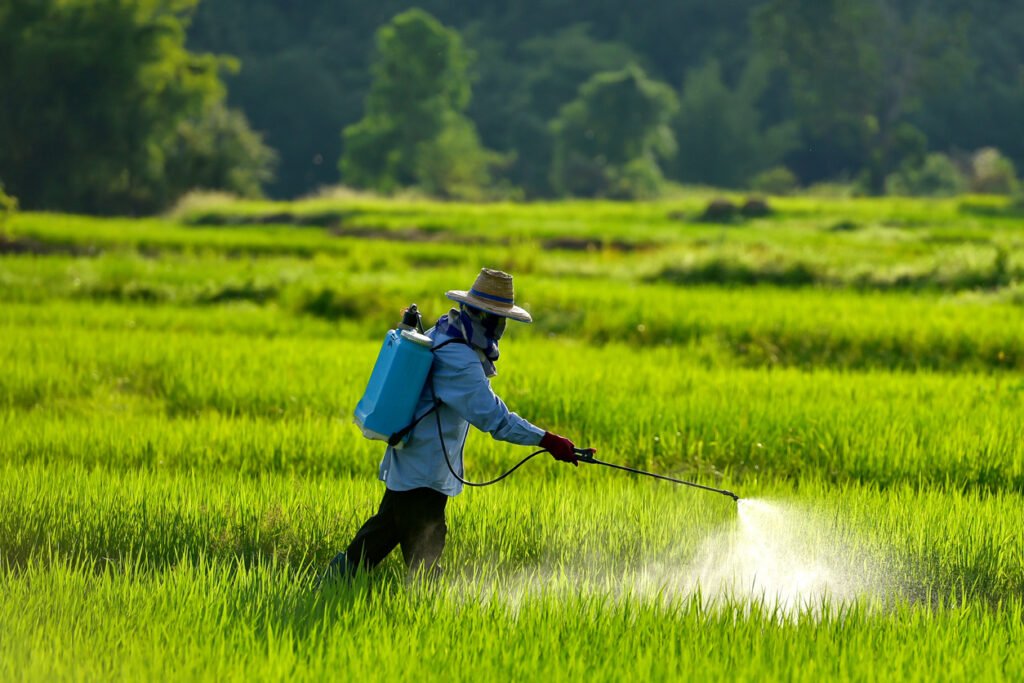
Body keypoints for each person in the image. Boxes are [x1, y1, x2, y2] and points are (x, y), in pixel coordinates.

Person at [322, 268, 579, 583]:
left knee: (382, 533)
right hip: (425, 471)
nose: (501, 328)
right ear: (486, 318)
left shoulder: (444, 330)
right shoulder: (459, 357)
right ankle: (427, 609)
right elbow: (495, 419)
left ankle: (327, 585)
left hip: (410, 460)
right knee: (425, 558)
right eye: (499, 320)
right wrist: (548, 440)